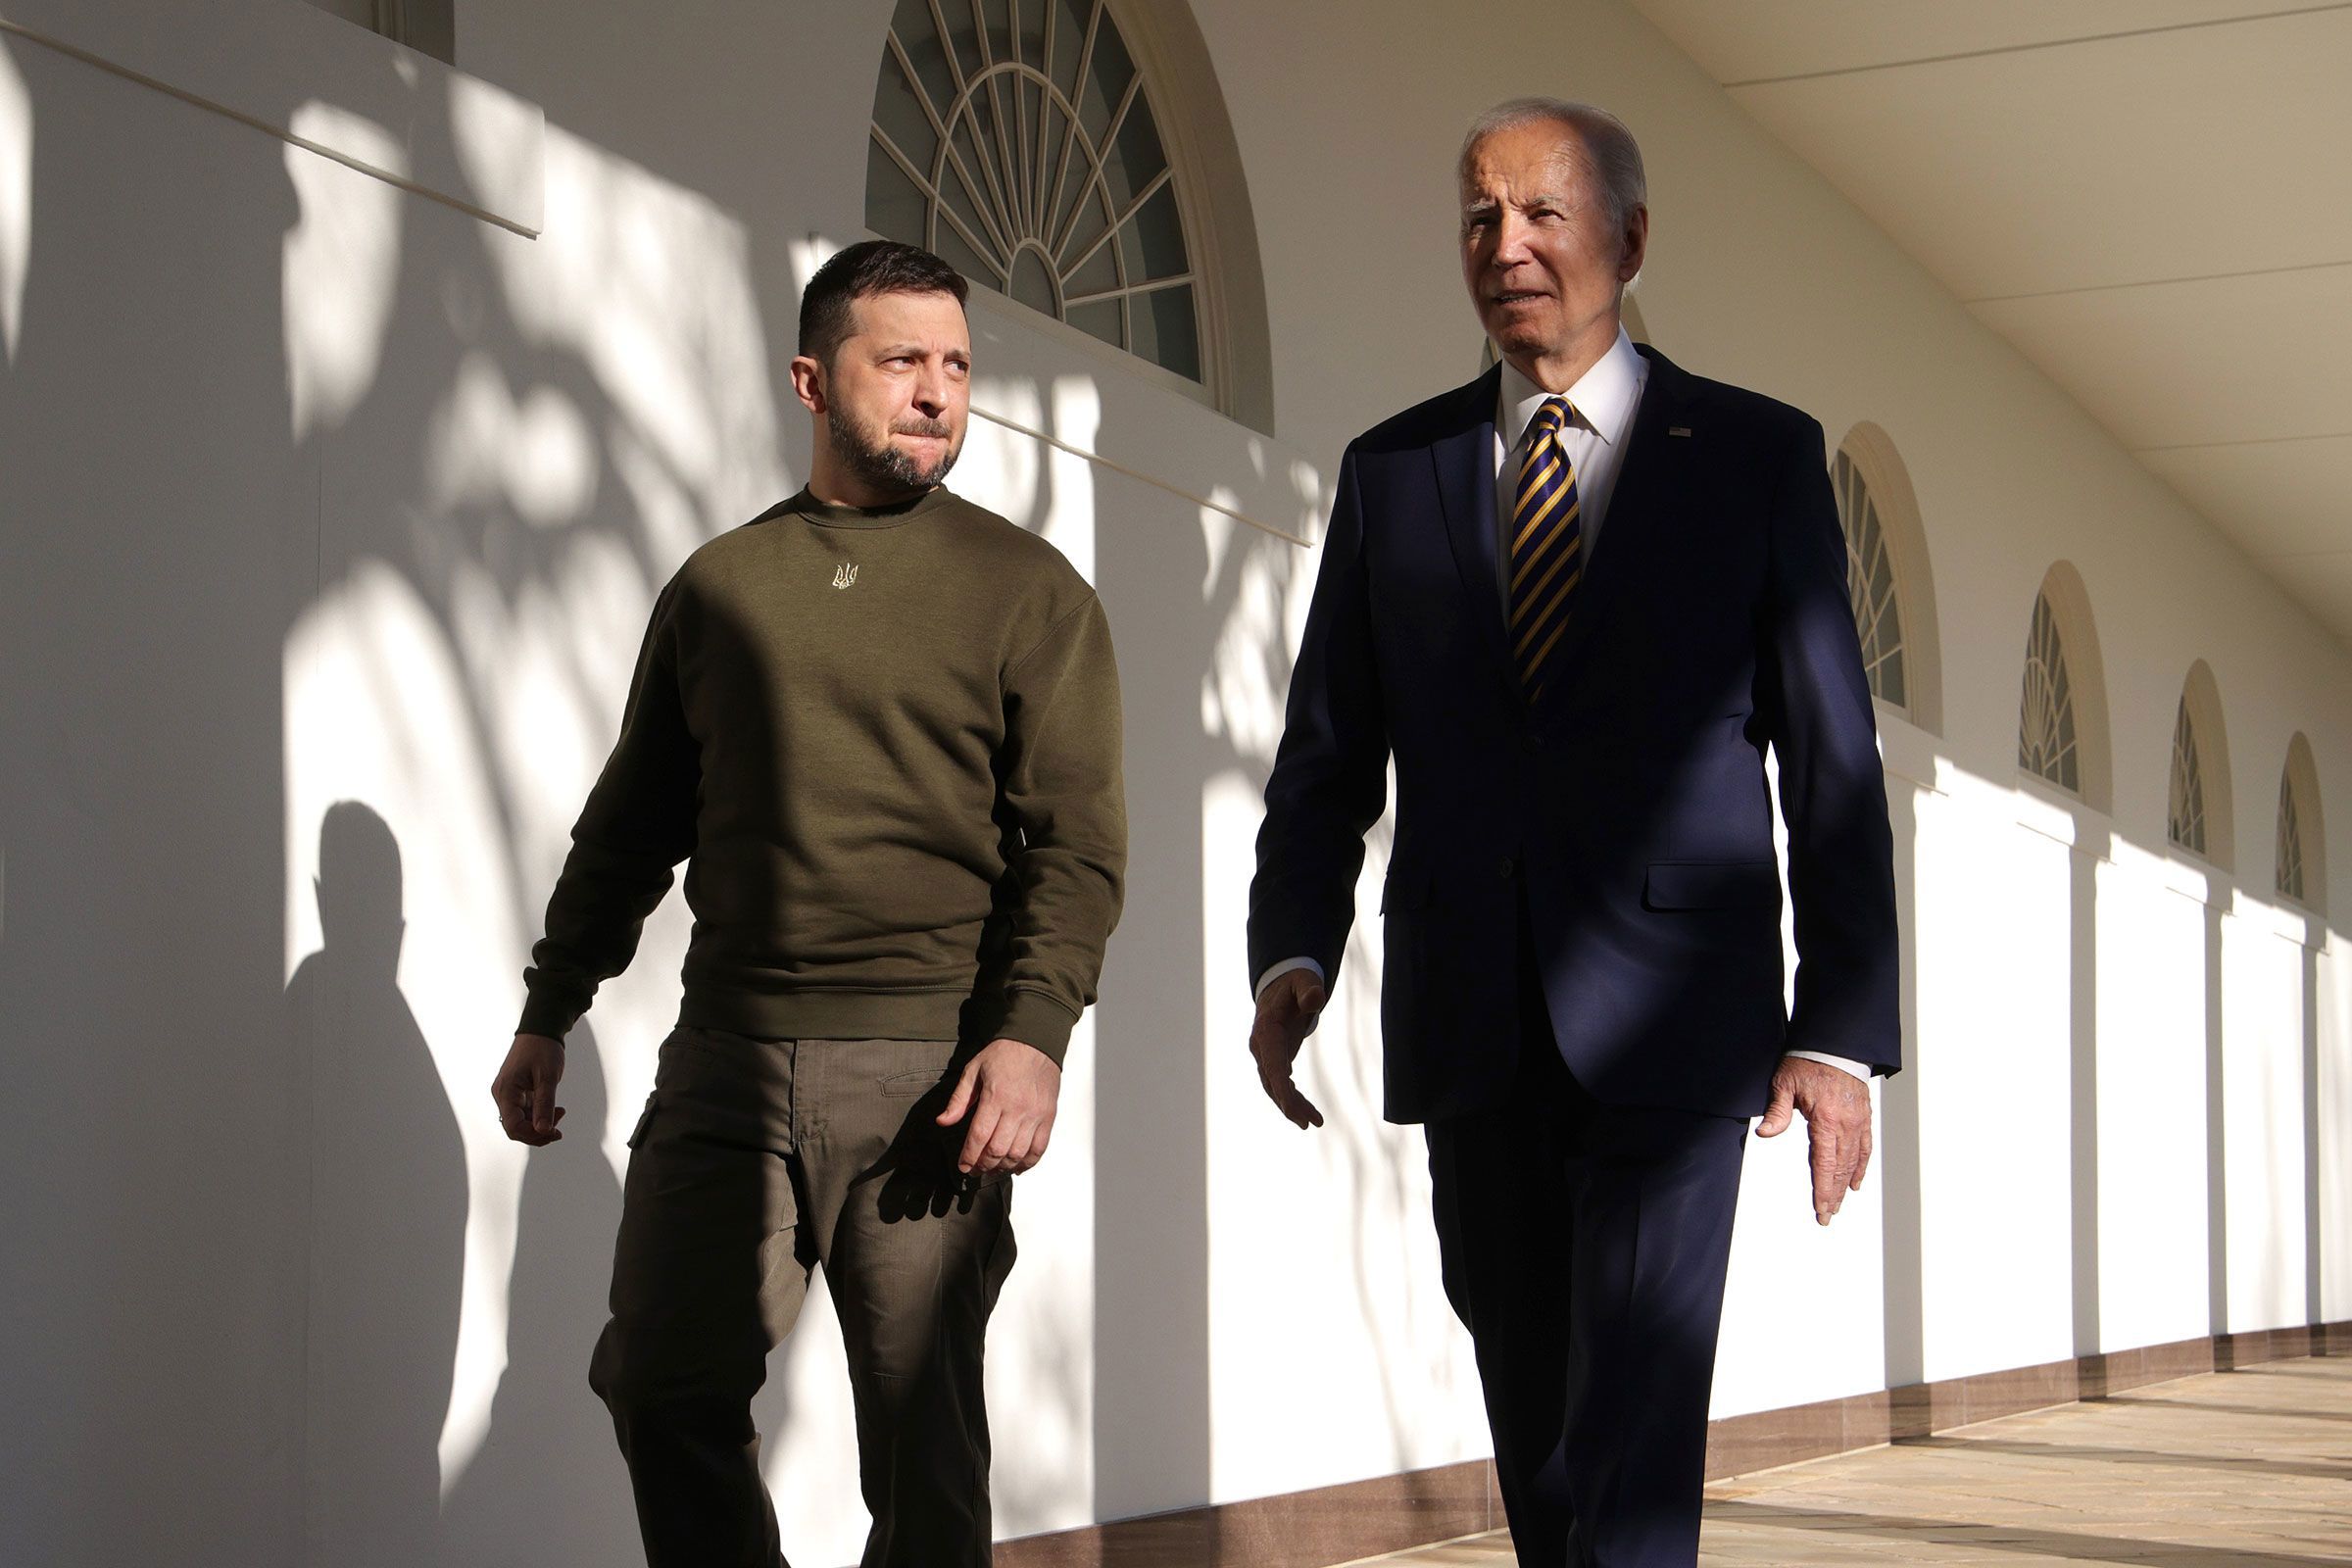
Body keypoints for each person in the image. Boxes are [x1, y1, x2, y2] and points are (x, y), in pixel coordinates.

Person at [1246, 100, 1898, 1568]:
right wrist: (1294, 946)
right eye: (1481, 216)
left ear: (1632, 240)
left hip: (1682, 1019)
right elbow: (1327, 751)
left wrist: (1840, 1026)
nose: (1509, 245)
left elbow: (1832, 761)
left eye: (1544, 212)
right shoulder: (1391, 471)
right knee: (1535, 1413)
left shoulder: (1752, 456)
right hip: (1474, 1009)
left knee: (1640, 1411)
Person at [489, 239, 1127, 1568]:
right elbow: (631, 826)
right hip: (723, 1062)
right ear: (810, 377)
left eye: (956, 364)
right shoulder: (720, 587)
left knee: (923, 1445)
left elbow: (1072, 848)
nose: (938, 392)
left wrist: (1031, 1035)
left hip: (926, 1073)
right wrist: (552, 1006)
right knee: (660, 1386)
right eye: (902, 360)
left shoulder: (1029, 594)